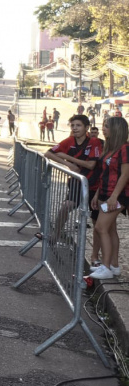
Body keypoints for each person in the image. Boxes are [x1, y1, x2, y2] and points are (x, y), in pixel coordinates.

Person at [45, 115, 103, 260]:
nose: (75, 128)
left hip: (95, 187)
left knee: (97, 224)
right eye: (73, 125)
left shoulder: (94, 142)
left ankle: (95, 256)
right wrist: (68, 165)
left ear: (86, 128)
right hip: (77, 185)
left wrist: (68, 158)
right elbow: (48, 153)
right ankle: (55, 236)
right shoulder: (69, 141)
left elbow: (91, 164)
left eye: (78, 125)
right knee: (66, 206)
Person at [88, 117, 129, 279]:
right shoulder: (110, 148)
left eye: (106, 126)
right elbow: (104, 174)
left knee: (100, 228)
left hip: (118, 195)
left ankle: (105, 266)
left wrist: (114, 197)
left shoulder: (125, 148)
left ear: (116, 129)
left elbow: (125, 174)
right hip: (105, 192)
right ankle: (113, 265)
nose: (103, 129)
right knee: (110, 230)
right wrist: (97, 194)